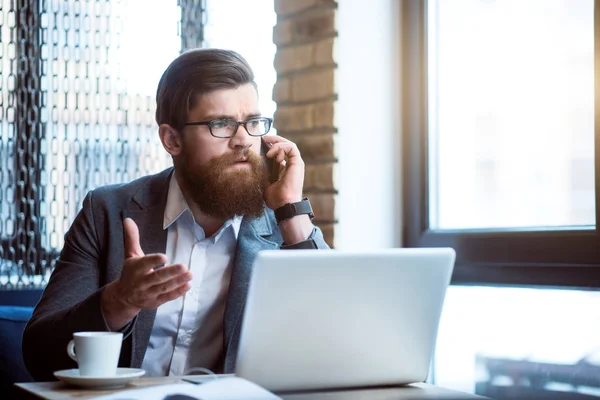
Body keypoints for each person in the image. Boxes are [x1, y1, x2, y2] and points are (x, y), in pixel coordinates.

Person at [22, 48, 330, 381]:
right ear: (172, 139)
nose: (243, 140)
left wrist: (292, 211)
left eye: (253, 122)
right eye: (221, 124)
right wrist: (119, 301)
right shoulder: (107, 211)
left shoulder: (278, 221)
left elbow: (334, 337)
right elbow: (39, 353)